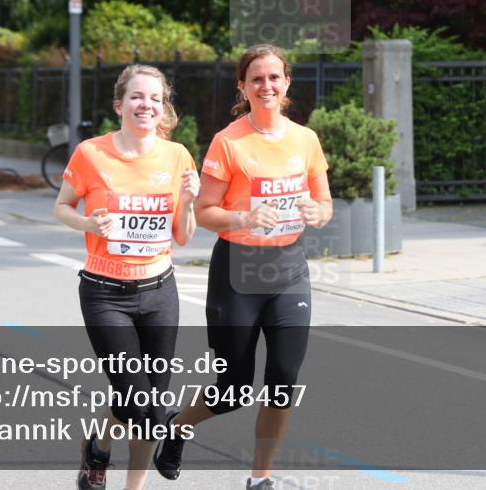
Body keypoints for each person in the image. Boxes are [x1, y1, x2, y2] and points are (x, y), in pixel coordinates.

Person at [153, 44, 332, 490]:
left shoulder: (305, 140)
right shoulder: (229, 141)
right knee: (233, 387)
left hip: (289, 268)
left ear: (287, 83)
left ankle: (260, 478)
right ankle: (177, 427)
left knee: (284, 380)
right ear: (243, 86)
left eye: (274, 77)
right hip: (238, 270)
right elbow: (206, 209)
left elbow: (325, 203)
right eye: (257, 79)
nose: (266, 86)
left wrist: (318, 213)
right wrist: (244, 218)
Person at [54, 64, 200, 490]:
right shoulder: (90, 153)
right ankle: (98, 448)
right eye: (137, 97)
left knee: (147, 405)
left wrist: (189, 202)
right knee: (138, 401)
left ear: (163, 107)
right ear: (120, 104)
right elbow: (61, 206)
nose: (146, 105)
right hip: (105, 294)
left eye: (155, 98)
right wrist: (89, 225)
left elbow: (183, 236)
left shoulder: (177, 157)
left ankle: (127, 481)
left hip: (160, 292)